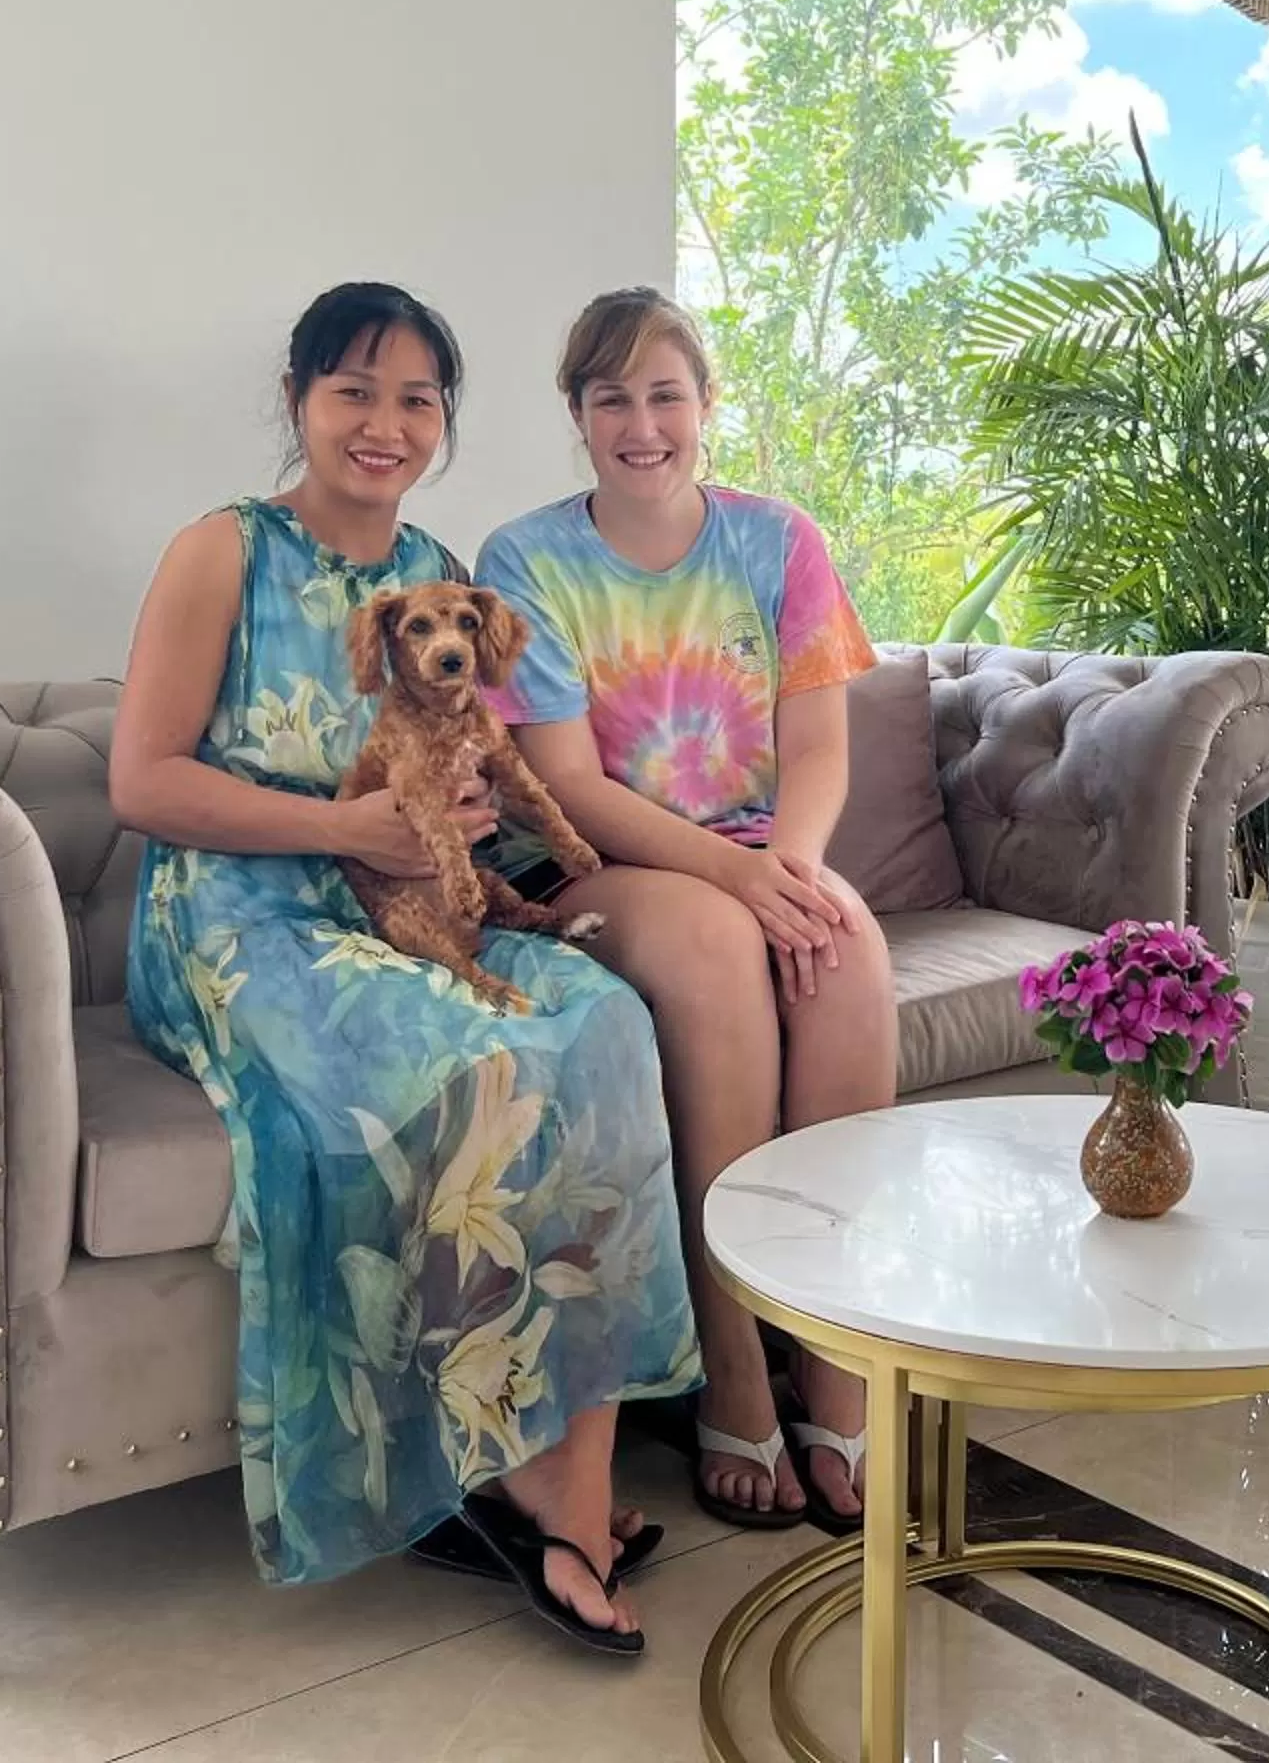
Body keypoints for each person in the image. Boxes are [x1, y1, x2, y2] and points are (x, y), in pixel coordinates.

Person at [112, 282, 698, 1655]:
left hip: (412, 898)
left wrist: (467, 819)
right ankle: (542, 1491)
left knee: (606, 1020)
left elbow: (467, 759)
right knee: (473, 1055)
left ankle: (564, 1465)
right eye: (354, 391)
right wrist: (343, 825)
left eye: (418, 397)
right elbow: (142, 782)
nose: (386, 425)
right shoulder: (224, 551)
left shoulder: (437, 563)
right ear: (301, 400)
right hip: (238, 921)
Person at [477, 286, 897, 1533]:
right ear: (578, 414)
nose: (642, 423)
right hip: (589, 861)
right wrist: (738, 881)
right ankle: (729, 1374)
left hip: (762, 852)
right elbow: (562, 787)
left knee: (848, 955)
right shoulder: (526, 559)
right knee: (720, 951)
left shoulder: (778, 541)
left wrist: (798, 871)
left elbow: (818, 751)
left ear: (706, 405)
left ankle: (836, 1370)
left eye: (666, 395)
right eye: (612, 399)